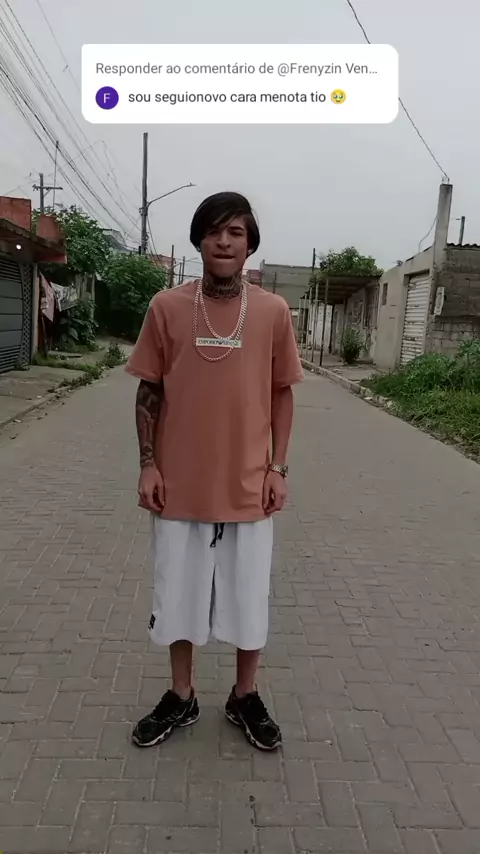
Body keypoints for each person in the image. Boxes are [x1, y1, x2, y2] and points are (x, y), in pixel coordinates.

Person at [125, 191, 303, 751]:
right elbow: (149, 390)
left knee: (249, 599)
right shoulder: (166, 307)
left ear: (250, 245)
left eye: (236, 232)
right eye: (214, 231)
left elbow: (282, 393)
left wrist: (278, 467)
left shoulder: (272, 312)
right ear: (199, 239)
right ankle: (181, 695)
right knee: (177, 596)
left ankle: (244, 695)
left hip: (249, 486)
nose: (224, 242)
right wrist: (148, 465)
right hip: (179, 486)